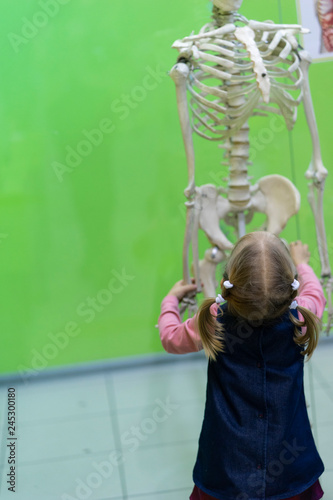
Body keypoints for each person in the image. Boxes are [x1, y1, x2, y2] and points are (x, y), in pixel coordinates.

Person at [158, 232, 325, 500]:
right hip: (289, 468)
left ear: (228, 280)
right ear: (289, 282)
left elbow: (170, 338)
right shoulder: (300, 316)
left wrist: (170, 300)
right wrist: (303, 264)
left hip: (225, 468)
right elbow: (316, 294)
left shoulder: (214, 318)